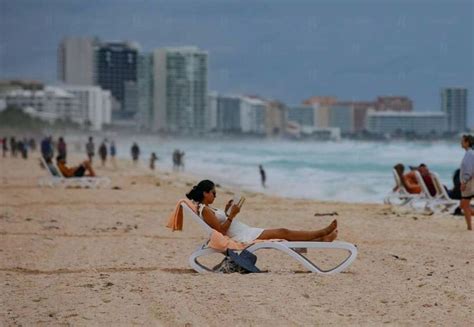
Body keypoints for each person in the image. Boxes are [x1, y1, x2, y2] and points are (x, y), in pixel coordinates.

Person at [186, 180, 338, 243]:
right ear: (205, 193)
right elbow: (220, 232)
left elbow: (220, 224)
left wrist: (226, 212)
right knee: (283, 232)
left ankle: (320, 239)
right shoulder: (205, 210)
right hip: (242, 236)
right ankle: (321, 233)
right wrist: (232, 216)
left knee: (283, 235)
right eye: (213, 193)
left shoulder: (207, 209)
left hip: (245, 231)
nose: (215, 195)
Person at [459, 134, 474, 230]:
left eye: (462, 141)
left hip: (469, 183)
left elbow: (468, 169)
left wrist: (464, 181)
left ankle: (469, 226)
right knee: (465, 203)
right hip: (470, 182)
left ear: (467, 142)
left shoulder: (469, 154)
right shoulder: (470, 153)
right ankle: (469, 226)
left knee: (465, 204)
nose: (461, 142)